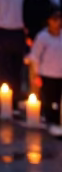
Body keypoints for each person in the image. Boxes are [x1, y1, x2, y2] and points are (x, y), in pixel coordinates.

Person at [28, 7, 62, 135]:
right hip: (47, 74)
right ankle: (50, 121)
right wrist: (36, 74)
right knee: (50, 99)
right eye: (55, 19)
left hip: (60, 73)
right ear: (49, 21)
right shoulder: (43, 37)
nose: (58, 22)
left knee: (57, 100)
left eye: (59, 19)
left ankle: (56, 120)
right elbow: (35, 57)